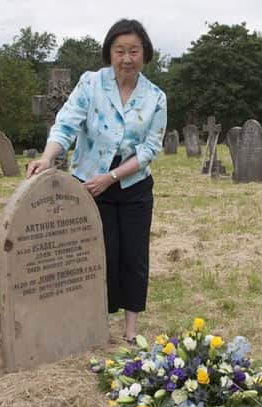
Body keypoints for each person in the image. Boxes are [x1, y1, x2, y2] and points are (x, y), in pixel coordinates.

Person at [26, 19, 166, 344]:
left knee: (133, 255)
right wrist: (47, 158)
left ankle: (130, 330)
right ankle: (93, 324)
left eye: (134, 51)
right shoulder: (90, 84)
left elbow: (150, 148)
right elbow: (66, 124)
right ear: (109, 53)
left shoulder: (155, 97)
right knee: (94, 254)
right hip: (89, 183)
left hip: (133, 184)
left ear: (144, 55)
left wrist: (113, 176)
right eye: (120, 51)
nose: (126, 58)